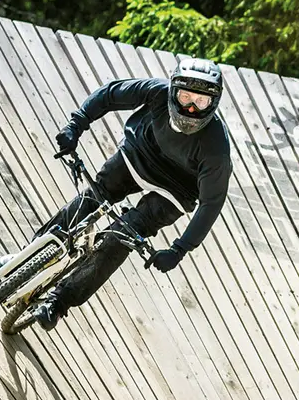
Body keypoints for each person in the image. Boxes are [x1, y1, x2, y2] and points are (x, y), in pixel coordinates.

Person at [28, 56, 231, 331]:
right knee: (93, 198)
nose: (191, 108)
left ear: (213, 103)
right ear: (172, 91)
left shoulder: (216, 148)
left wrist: (179, 250)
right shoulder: (156, 92)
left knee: (120, 237)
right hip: (139, 155)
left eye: (201, 102)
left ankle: (59, 302)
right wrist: (75, 125)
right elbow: (111, 95)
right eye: (185, 97)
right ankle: (29, 258)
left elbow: (210, 204)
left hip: (175, 190)